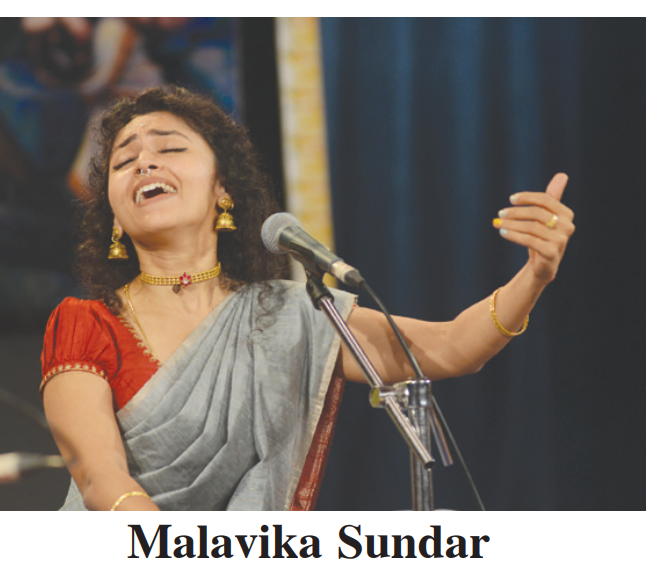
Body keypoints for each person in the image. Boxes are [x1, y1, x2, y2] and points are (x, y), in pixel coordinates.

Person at [40, 85, 575, 511]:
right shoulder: (84, 323)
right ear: (112, 211)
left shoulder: (289, 314)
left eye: (170, 149)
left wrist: (535, 275)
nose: (144, 164)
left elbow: (451, 348)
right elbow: (99, 477)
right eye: (124, 161)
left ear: (223, 188)